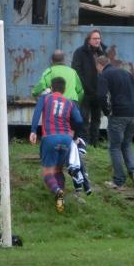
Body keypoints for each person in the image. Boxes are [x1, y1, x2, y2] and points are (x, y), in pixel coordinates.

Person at [32, 50, 90, 194]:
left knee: (49, 170)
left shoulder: (49, 71)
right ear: (65, 60)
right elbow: (81, 90)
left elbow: (40, 86)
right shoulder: (72, 72)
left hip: (51, 128)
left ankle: (58, 190)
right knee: (72, 147)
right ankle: (83, 181)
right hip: (72, 106)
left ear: (52, 60)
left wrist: (35, 94)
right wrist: (76, 103)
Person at [30, 77, 83, 213]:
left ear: (52, 88)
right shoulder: (70, 103)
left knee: (48, 172)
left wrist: (33, 131)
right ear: (64, 90)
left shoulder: (46, 98)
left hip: (50, 138)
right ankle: (60, 204)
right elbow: (79, 120)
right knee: (59, 170)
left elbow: (37, 113)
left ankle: (58, 191)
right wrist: (74, 134)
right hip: (66, 139)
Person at [95, 56, 134, 190]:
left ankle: (118, 181)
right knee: (127, 144)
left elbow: (100, 96)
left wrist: (107, 112)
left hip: (118, 115)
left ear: (100, 65)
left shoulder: (105, 75)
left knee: (115, 147)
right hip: (133, 115)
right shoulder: (126, 73)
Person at [71, 29, 106, 147]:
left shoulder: (103, 52)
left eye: (99, 38)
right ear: (88, 40)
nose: (97, 41)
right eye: (95, 38)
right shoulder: (80, 52)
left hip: (99, 91)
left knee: (96, 118)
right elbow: (76, 71)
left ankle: (94, 143)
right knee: (84, 118)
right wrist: (85, 87)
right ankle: (84, 142)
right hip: (85, 92)